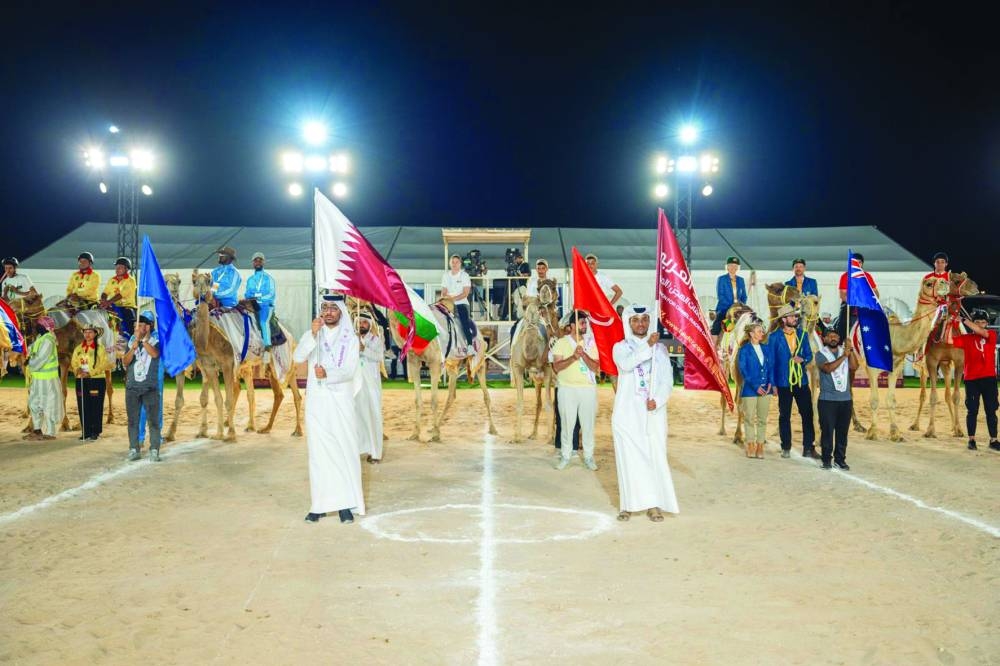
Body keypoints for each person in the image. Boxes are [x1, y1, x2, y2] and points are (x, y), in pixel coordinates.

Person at [293, 292, 365, 524]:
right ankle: (320, 505)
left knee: (344, 450)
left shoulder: (351, 339)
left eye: (333, 308)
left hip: (341, 401)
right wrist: (312, 335)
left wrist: (329, 374)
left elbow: (350, 370)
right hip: (317, 402)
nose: (328, 312)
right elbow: (298, 356)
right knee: (319, 453)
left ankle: (345, 505)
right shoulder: (314, 333)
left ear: (341, 311)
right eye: (325, 308)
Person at [611, 303, 678, 523]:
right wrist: (647, 346)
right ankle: (627, 505)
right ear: (629, 323)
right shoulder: (620, 347)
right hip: (627, 412)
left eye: (644, 320)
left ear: (649, 322)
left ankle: (653, 505)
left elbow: (667, 381)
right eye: (636, 320)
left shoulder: (660, 350)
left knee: (654, 456)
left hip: (653, 414)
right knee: (628, 458)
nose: (641, 324)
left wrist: (657, 400)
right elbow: (627, 365)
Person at [550, 310, 600, 470]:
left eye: (586, 322)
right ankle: (565, 455)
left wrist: (583, 355)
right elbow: (556, 367)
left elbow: (595, 367)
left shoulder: (591, 343)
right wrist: (573, 357)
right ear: (572, 326)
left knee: (588, 424)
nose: (585, 325)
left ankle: (588, 456)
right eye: (582, 322)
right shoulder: (561, 343)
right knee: (566, 423)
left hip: (587, 389)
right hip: (566, 389)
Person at [769, 304, 816, 458]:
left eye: (796, 316)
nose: (795, 318)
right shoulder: (774, 337)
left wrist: (803, 358)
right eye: (792, 316)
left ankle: (808, 447)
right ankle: (786, 446)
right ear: (783, 319)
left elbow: (809, 354)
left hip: (801, 381)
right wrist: (773, 384)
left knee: (807, 414)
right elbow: (771, 362)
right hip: (783, 383)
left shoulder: (802, 335)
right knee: (784, 415)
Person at [955, 310, 998, 451]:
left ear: (987, 323)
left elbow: (981, 332)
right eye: (977, 322)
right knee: (972, 411)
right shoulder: (966, 338)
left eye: (983, 322)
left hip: (989, 379)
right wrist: (948, 321)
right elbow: (949, 340)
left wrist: (964, 320)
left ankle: (993, 439)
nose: (980, 324)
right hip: (972, 380)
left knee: (991, 410)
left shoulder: (991, 334)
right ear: (974, 323)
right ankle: (971, 440)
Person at [816, 328, 860, 470]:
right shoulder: (820, 354)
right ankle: (826, 459)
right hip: (827, 400)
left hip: (845, 400)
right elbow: (828, 368)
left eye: (835, 336)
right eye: (830, 336)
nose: (833, 338)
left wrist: (850, 350)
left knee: (842, 433)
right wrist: (843, 357)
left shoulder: (845, 352)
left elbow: (854, 367)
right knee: (827, 432)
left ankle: (840, 459)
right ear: (825, 339)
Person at [123, 310, 164, 461]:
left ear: (147, 327)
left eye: (140, 325)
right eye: (135, 325)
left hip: (149, 386)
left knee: (153, 420)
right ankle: (134, 448)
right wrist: (133, 348)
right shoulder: (132, 340)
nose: (136, 328)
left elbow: (155, 354)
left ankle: (154, 449)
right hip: (132, 386)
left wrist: (144, 341)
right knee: (133, 420)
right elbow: (125, 362)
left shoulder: (156, 339)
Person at [737, 320, 774, 459]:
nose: (762, 333)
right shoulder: (744, 350)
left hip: (766, 389)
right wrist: (755, 386)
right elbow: (744, 370)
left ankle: (760, 446)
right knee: (749, 418)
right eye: (759, 331)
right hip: (750, 390)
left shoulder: (766, 348)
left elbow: (770, 367)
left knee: (762, 419)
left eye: (762, 331)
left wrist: (771, 383)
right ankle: (750, 445)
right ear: (752, 334)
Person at [70, 323, 111, 441]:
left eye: (90, 332)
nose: (87, 334)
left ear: (95, 334)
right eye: (85, 332)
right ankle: (86, 431)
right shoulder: (78, 349)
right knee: (83, 405)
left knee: (95, 405)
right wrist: (77, 370)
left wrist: (90, 373)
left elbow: (104, 364)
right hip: (81, 380)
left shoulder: (100, 348)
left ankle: (95, 431)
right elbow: (74, 362)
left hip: (96, 380)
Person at [24, 315, 62, 441]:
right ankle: (37, 430)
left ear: (44, 327)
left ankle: (51, 432)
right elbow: (32, 349)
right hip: (37, 379)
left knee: (48, 404)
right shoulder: (41, 338)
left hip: (47, 380)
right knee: (34, 404)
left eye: (39, 325)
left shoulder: (48, 341)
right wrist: (28, 351)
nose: (36, 327)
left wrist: (30, 362)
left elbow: (40, 359)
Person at [356, 312, 385, 463]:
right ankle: (361, 448)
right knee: (358, 416)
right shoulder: (351, 339)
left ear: (370, 325)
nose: (361, 325)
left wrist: (363, 349)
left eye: (364, 322)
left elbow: (379, 357)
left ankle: (375, 453)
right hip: (356, 385)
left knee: (373, 416)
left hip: (371, 385)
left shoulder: (376, 339)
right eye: (359, 322)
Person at [836, 252, 878, 340]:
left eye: (859, 262)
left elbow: (875, 292)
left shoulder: (867, 276)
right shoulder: (845, 276)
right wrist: (853, 302)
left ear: (862, 264)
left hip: (865, 307)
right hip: (849, 308)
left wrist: (870, 301)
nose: (857, 264)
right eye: (855, 262)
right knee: (843, 329)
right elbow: (842, 294)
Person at [442, 254, 476, 355]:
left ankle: (470, 346)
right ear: (450, 263)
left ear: (460, 264)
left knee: (464, 322)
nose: (454, 264)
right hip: (448, 303)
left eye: (456, 262)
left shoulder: (464, 276)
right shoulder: (446, 275)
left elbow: (465, 293)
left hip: (461, 303)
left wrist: (453, 298)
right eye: (452, 262)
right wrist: (447, 298)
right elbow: (444, 291)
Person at [245, 251, 277, 349]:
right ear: (253, 263)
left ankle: (267, 345)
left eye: (260, 260)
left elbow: (271, 294)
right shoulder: (250, 279)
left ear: (263, 262)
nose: (258, 262)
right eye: (256, 261)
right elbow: (247, 293)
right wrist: (251, 298)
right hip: (253, 304)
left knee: (263, 322)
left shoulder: (269, 279)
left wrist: (258, 298)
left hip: (266, 305)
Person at [712, 257, 747, 345]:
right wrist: (732, 308)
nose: (733, 268)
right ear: (727, 267)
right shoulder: (721, 279)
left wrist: (741, 306)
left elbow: (744, 296)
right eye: (731, 266)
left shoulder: (741, 280)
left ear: (738, 268)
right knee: (716, 328)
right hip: (725, 309)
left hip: (738, 309)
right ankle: (713, 348)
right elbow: (721, 296)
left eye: (735, 266)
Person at [100, 257, 137, 338]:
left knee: (129, 322)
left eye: (120, 267)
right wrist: (103, 300)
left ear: (126, 269)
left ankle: (131, 338)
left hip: (127, 307)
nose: (117, 269)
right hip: (112, 305)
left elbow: (121, 295)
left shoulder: (131, 281)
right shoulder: (111, 280)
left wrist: (108, 302)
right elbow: (105, 292)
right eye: (116, 267)